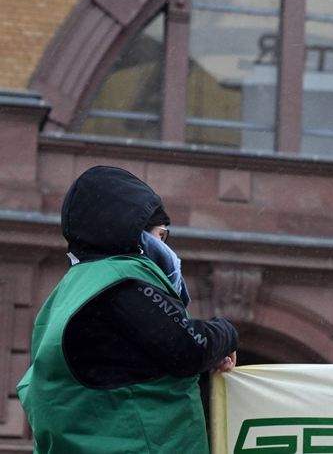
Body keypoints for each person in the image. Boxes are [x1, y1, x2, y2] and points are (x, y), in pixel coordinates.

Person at [17, 165, 239, 454]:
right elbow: (190, 348)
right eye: (161, 235)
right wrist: (226, 333)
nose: (165, 247)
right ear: (138, 234)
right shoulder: (124, 280)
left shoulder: (70, 288)